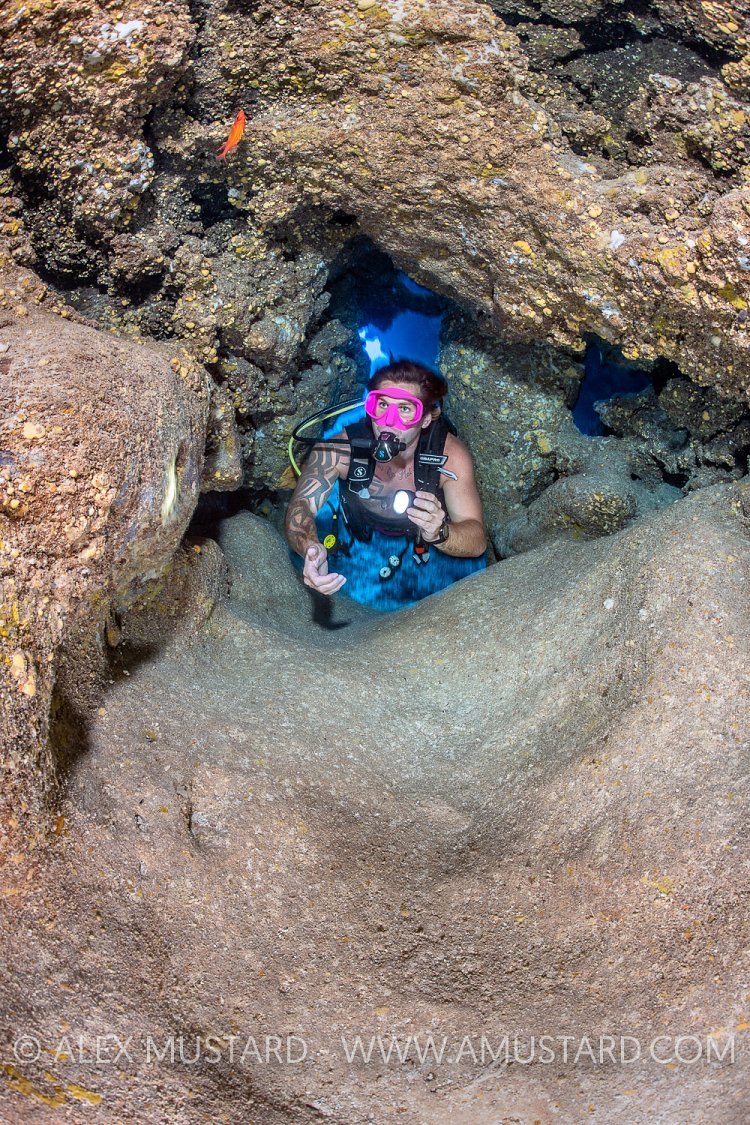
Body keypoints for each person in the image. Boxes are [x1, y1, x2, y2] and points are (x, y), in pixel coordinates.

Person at [284, 360, 487, 602]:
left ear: (425, 419)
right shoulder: (337, 450)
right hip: (362, 528)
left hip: (420, 536)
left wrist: (440, 533)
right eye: (382, 404)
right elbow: (301, 507)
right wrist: (311, 549)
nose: (388, 421)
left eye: (405, 409)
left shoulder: (450, 458)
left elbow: (477, 538)